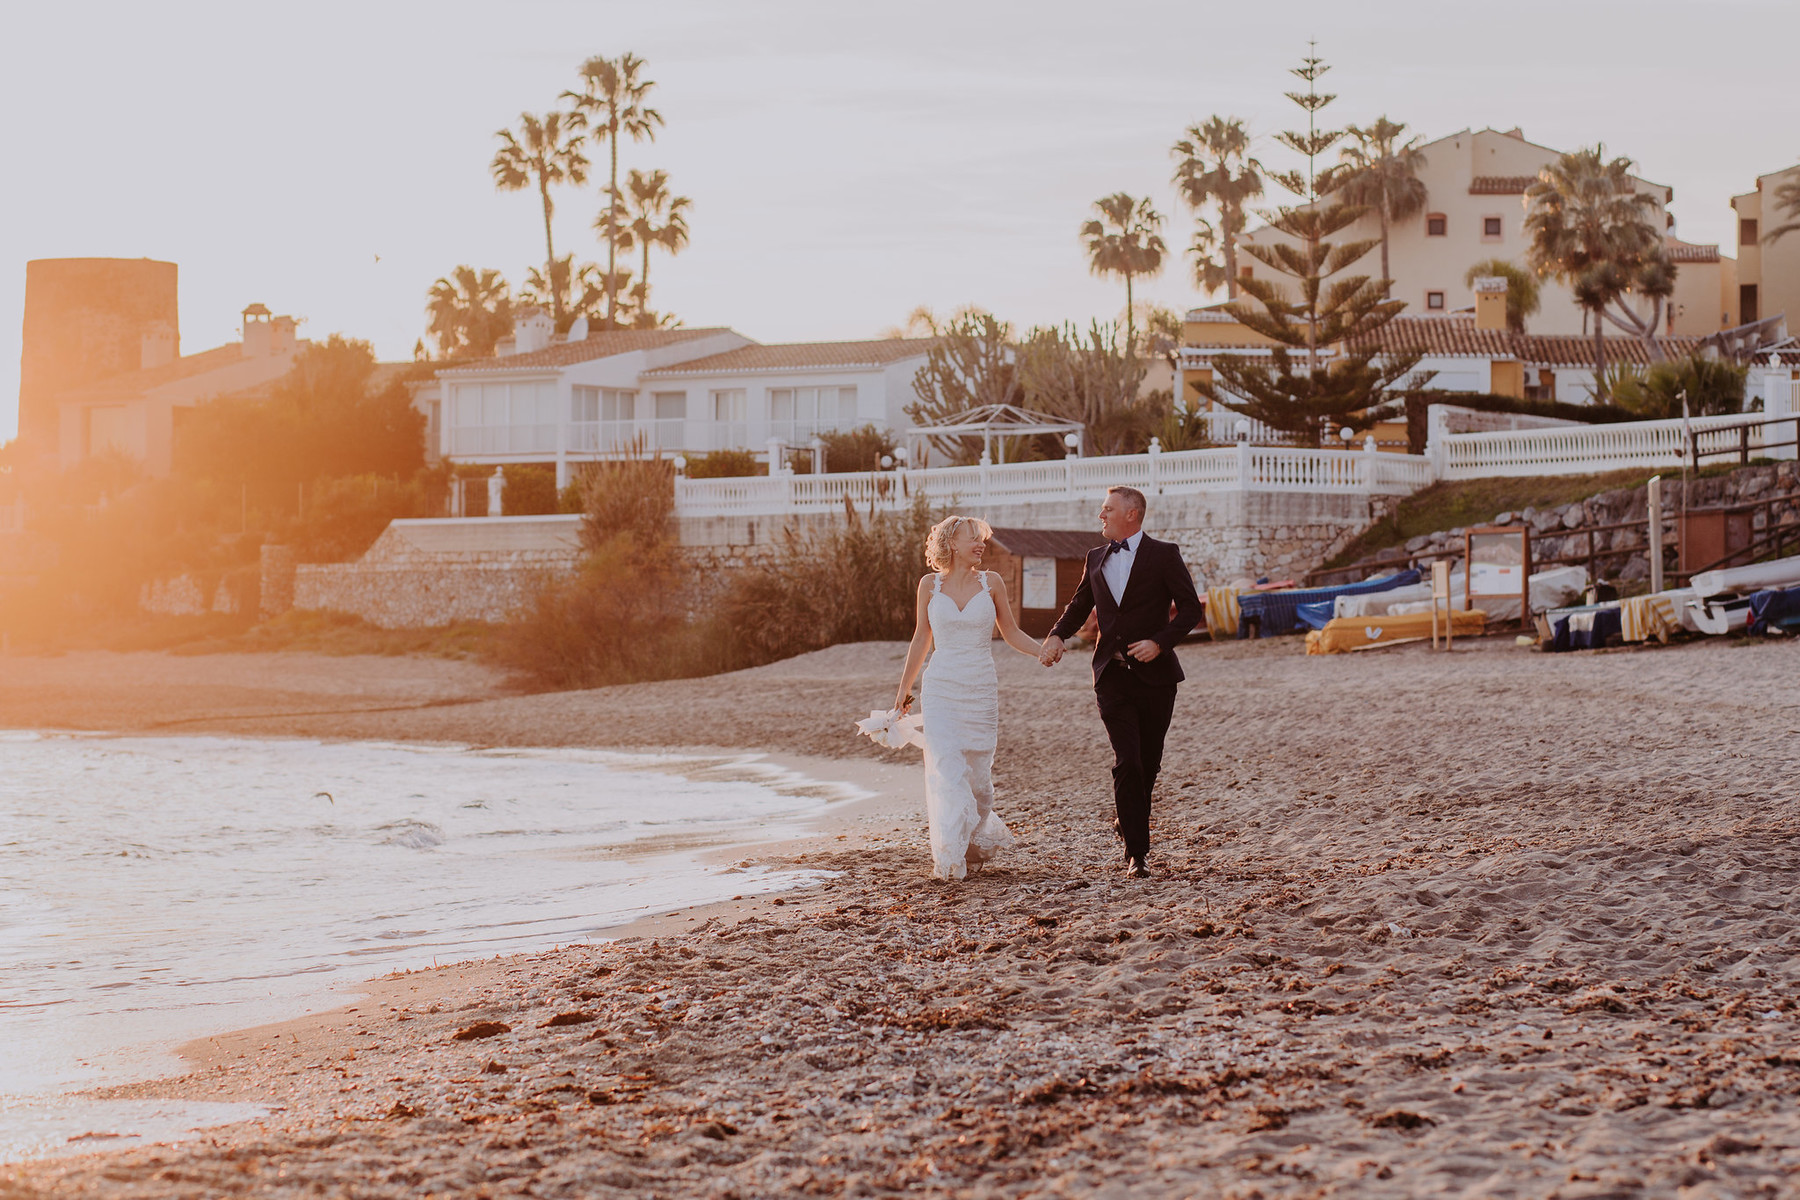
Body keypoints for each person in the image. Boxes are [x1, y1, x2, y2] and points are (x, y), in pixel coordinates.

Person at [1040, 486, 1203, 878]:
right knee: (1127, 761)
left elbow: (1191, 610)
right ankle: (1137, 853)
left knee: (1148, 764)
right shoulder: (1095, 557)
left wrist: (1160, 644)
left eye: (1108, 510)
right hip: (1111, 677)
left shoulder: (1164, 555)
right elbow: (1080, 604)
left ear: (1131, 514)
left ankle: (1126, 818)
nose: (1101, 516)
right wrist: (1058, 634)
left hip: (1157, 680)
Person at [893, 514, 1047, 880]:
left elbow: (1009, 631)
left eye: (982, 539)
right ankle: (949, 856)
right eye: (972, 538)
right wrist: (904, 689)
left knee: (978, 780)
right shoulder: (928, 586)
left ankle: (974, 838)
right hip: (941, 687)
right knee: (947, 769)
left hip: (979, 687)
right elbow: (921, 639)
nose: (980, 544)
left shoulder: (991, 582)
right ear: (951, 544)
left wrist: (1040, 650)